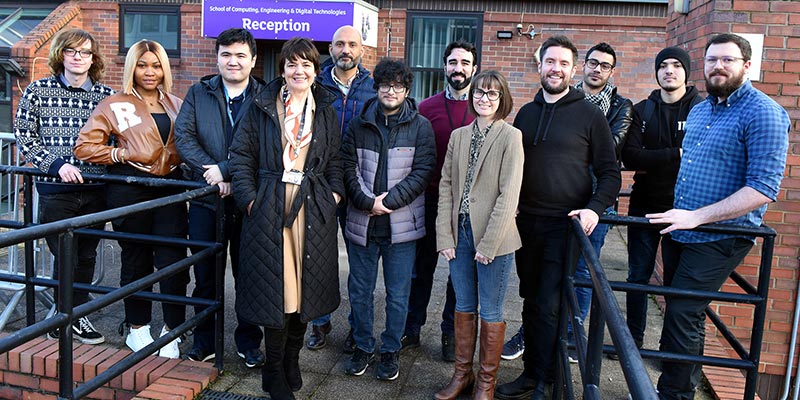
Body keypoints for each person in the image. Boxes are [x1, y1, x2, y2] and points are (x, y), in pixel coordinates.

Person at [646, 33, 789, 400]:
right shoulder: (700, 108)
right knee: (685, 313)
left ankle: (673, 395)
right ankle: (679, 387)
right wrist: (684, 218)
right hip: (683, 230)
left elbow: (762, 188)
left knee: (681, 309)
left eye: (727, 60)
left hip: (722, 234)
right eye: (712, 60)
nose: (718, 67)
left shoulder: (764, 113)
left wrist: (697, 217)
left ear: (746, 65)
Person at [495, 35, 620, 400]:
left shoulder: (589, 115)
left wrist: (594, 209)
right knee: (531, 298)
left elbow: (611, 172)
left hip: (564, 225)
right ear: (540, 66)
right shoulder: (527, 113)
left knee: (549, 302)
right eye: (550, 62)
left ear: (574, 69)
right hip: (525, 223)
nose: (556, 69)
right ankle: (533, 372)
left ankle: (544, 379)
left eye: (564, 63)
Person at [229, 37, 344, 400]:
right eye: (292, 64)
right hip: (269, 209)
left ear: (315, 70)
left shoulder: (324, 108)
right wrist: (250, 201)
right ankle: (273, 369)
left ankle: (292, 359)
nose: (299, 71)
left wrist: (334, 196)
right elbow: (240, 156)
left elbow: (337, 161)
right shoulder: (261, 105)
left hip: (312, 209)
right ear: (282, 69)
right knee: (276, 295)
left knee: (305, 293)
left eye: (307, 64)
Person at [74, 39, 187, 358]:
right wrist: (120, 152)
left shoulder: (176, 103)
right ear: (132, 68)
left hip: (170, 188)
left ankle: (173, 328)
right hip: (131, 188)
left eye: (155, 64)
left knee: (173, 260)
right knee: (136, 259)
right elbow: (84, 147)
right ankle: (137, 328)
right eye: (142, 64)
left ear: (164, 67)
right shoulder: (115, 103)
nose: (149, 72)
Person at [13, 28, 114, 345]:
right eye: (72, 51)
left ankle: (75, 314)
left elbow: (119, 139)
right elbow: (25, 138)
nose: (78, 57)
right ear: (61, 55)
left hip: (97, 187)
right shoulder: (37, 91)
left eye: (85, 52)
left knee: (86, 255)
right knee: (64, 254)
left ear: (93, 58)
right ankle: (63, 314)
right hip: (56, 190)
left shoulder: (106, 97)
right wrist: (57, 166)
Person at [173, 28, 265, 367]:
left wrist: (226, 170)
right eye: (226, 54)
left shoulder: (266, 96)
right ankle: (204, 341)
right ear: (217, 57)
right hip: (205, 199)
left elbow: (266, 147)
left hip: (248, 201)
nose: (233, 61)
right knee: (205, 276)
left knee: (249, 277)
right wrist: (211, 171)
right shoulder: (199, 93)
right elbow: (183, 138)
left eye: (241, 55)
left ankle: (249, 342)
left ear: (253, 60)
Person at [341, 58, 436, 381]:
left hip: (402, 228)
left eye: (397, 86)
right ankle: (363, 347)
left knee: (398, 294)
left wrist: (388, 202)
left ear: (407, 90)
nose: (390, 91)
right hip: (362, 222)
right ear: (377, 87)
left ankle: (391, 348)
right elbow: (346, 167)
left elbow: (423, 171)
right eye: (385, 85)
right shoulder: (358, 124)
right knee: (359, 291)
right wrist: (367, 201)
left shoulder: (420, 126)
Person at [434, 70, 523, 400]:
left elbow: (509, 194)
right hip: (460, 233)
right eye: (480, 93)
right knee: (463, 305)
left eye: (492, 94)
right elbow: (446, 185)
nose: (484, 98)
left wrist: (489, 244)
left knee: (491, 311)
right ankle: (462, 375)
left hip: (494, 238)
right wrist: (444, 235)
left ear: (502, 100)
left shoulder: (511, 136)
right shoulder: (458, 136)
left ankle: (486, 382)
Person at [620, 46, 703, 353]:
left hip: (684, 209)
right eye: (664, 65)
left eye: (676, 65)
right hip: (644, 204)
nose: (670, 70)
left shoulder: (701, 109)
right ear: (656, 72)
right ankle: (632, 341)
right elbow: (630, 156)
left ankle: (670, 350)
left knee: (675, 282)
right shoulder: (642, 110)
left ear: (686, 71)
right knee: (637, 276)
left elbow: (700, 156)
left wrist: (653, 158)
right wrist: (675, 154)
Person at [404, 40, 478, 362]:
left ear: (473, 68)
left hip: (467, 207)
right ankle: (412, 326)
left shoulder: (484, 107)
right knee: (421, 270)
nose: (457, 68)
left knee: (458, 275)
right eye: (452, 62)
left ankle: (450, 332)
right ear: (444, 66)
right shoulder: (427, 108)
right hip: (430, 200)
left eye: (464, 63)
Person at [307, 25, 376, 353]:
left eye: (352, 44)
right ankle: (319, 323)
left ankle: (357, 328)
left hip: (360, 187)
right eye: (339, 44)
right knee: (318, 259)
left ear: (362, 49)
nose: (345, 49)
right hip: (320, 185)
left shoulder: (374, 87)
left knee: (360, 265)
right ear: (330, 48)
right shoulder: (314, 83)